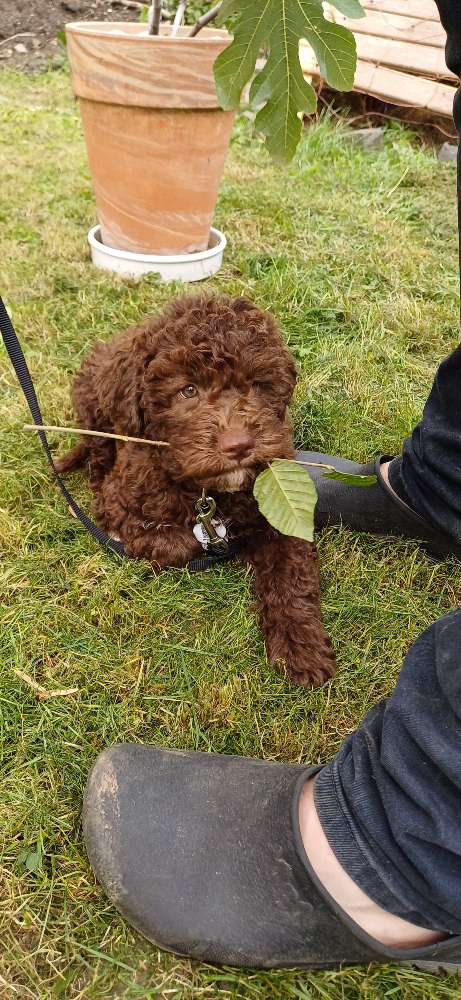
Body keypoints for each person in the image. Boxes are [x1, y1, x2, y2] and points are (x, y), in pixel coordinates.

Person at [81, 0, 461, 974]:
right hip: (128, 435)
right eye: (199, 395)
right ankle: (443, 484)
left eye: (255, 393)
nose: (240, 423)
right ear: (143, 406)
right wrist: (181, 529)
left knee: (279, 523)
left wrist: (279, 596)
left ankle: (410, 849)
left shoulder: (263, 455)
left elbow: (280, 535)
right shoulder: (130, 432)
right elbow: (132, 527)